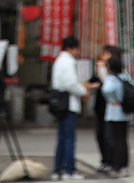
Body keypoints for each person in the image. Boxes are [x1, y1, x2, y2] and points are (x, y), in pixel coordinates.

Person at [50, 35, 97, 181]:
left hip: (59, 103)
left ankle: (57, 170)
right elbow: (70, 84)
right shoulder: (69, 62)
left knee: (61, 139)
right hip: (68, 104)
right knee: (69, 139)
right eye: (76, 49)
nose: (77, 52)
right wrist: (84, 90)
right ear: (70, 48)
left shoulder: (58, 60)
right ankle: (69, 171)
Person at [101, 53, 134, 177]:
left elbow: (106, 89)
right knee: (123, 140)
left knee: (115, 141)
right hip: (125, 113)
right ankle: (125, 167)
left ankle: (117, 167)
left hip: (114, 113)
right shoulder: (125, 77)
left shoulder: (111, 79)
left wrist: (112, 99)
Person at [90, 44, 121, 174]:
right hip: (100, 107)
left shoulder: (114, 71)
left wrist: (102, 71)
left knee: (109, 136)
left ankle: (111, 161)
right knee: (100, 135)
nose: (103, 56)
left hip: (110, 109)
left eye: (106, 54)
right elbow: (93, 81)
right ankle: (104, 160)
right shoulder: (101, 68)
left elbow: (107, 86)